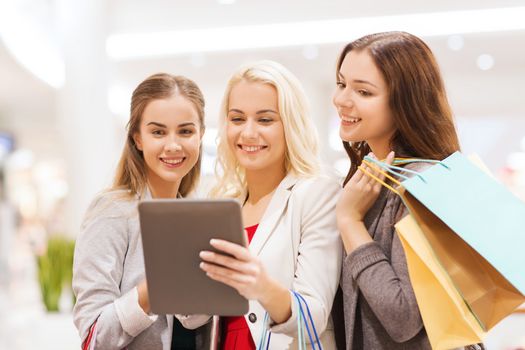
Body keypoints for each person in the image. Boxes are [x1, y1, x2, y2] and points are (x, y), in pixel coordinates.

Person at [183, 60, 342, 349]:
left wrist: (261, 286)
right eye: (237, 118)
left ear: (290, 125)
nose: (248, 133)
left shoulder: (317, 192)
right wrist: (184, 283)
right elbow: (193, 319)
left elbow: (314, 316)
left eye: (265, 119)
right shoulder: (224, 201)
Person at [332, 31, 469, 349]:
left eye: (364, 92)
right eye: (342, 84)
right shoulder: (373, 179)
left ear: (405, 103)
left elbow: (403, 317)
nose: (342, 99)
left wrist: (350, 222)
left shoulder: (423, 184)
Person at [72, 73, 208, 349]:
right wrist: (154, 288)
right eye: (158, 132)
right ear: (137, 138)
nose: (173, 145)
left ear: (201, 135)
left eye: (186, 131)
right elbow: (94, 337)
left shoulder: (199, 215)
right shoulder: (112, 211)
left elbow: (195, 323)